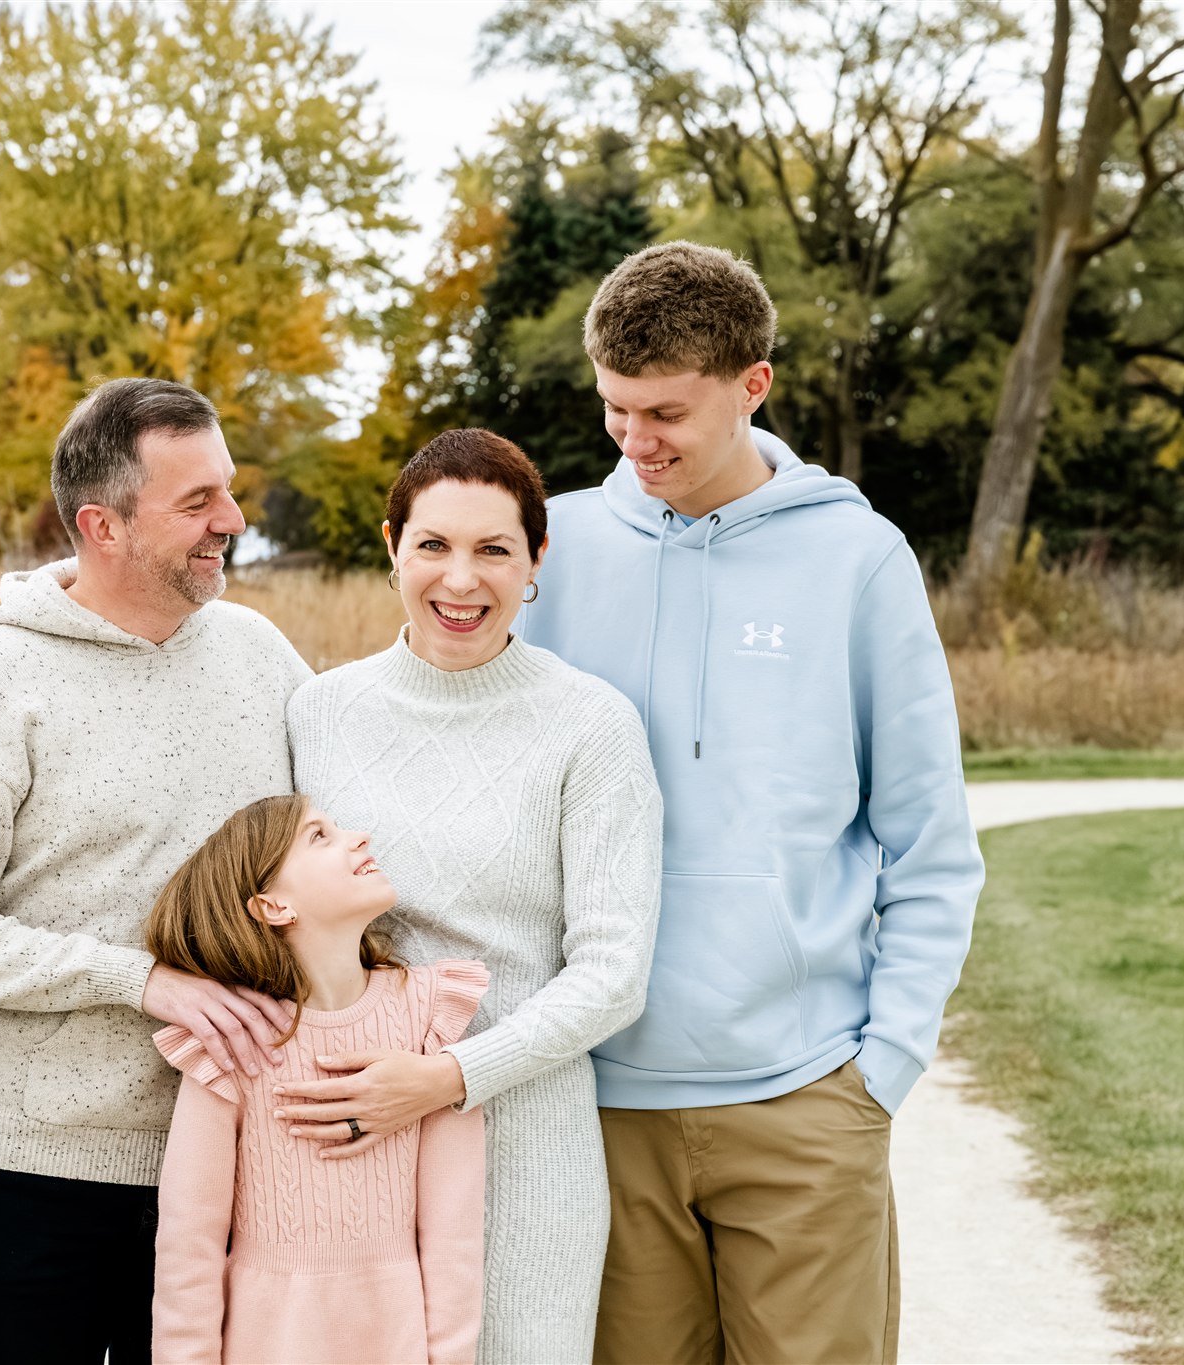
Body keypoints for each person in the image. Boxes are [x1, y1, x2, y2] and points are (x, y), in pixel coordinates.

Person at [517, 241, 984, 1365]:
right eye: (614, 411)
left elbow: (926, 838)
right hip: (596, 1102)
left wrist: (884, 1066)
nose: (636, 444)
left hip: (803, 1096)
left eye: (665, 412)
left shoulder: (857, 559)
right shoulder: (550, 547)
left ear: (750, 386)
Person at [0, 378, 312, 1363]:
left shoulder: (260, 657)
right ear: (100, 525)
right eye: (196, 502)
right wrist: (141, 982)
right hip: (36, 1168)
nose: (232, 522)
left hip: (234, 1150)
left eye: (228, 491)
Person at [277, 429, 664, 1362]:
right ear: (391, 548)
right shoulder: (318, 712)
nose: (461, 579)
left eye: (494, 549)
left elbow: (614, 972)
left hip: (525, 1143)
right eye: (434, 546)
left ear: (537, 559)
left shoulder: (592, 725)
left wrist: (450, 1078)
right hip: (347, 1133)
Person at [147, 794, 488, 1365]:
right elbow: (189, 1245)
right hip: (266, 1343)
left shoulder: (431, 1014)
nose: (359, 837)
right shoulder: (236, 1042)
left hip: (396, 1341)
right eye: (319, 837)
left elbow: (455, 1233)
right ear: (272, 906)